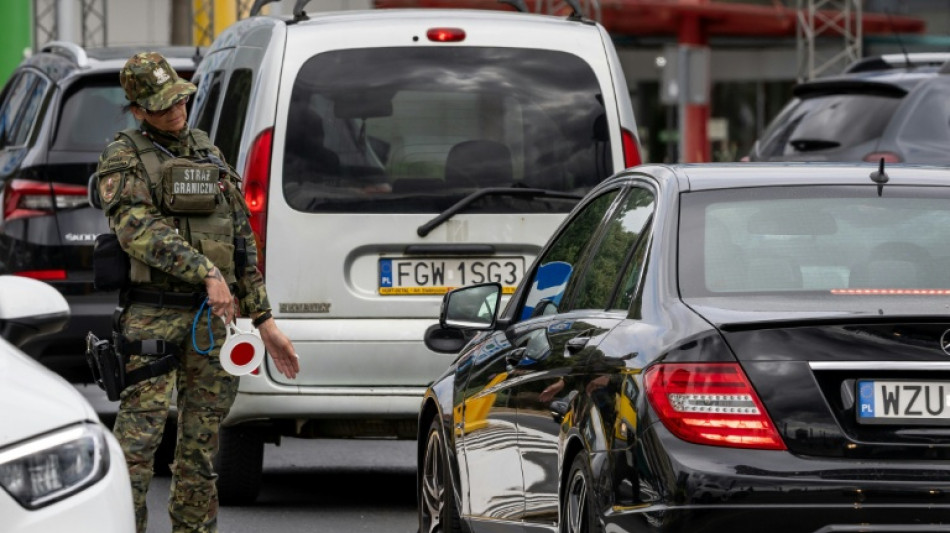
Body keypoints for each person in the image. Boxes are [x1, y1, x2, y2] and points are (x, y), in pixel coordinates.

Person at [95, 51, 300, 533]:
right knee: (136, 452)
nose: (175, 110)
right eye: (162, 105)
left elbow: (240, 240)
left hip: (211, 325)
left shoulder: (208, 152)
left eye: (180, 100)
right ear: (138, 109)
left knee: (200, 455)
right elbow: (138, 231)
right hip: (152, 320)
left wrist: (265, 321)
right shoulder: (123, 157)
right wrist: (206, 271)